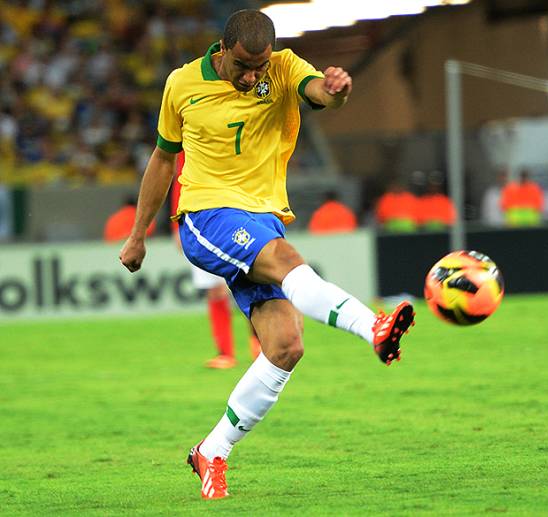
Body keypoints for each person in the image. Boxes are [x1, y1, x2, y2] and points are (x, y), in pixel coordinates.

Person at [118, 10, 414, 499]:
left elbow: (318, 92)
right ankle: (373, 328)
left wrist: (336, 91)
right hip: (206, 213)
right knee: (285, 259)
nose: (253, 75)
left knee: (285, 347)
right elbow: (164, 157)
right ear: (223, 49)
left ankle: (211, 452)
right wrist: (138, 233)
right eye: (243, 66)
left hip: (264, 218)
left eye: (260, 66)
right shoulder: (182, 84)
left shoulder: (282, 67)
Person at [171, 151, 261, 369]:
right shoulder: (187, 138)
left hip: (235, 214)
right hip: (199, 219)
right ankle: (225, 353)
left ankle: (259, 344)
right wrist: (176, 224)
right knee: (215, 290)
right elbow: (179, 180)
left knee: (249, 282)